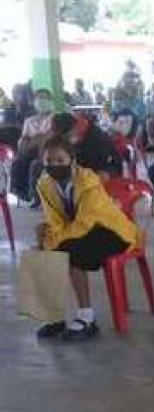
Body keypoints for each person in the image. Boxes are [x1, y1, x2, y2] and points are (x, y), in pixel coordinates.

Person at [33, 136, 139, 342]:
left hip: (110, 231)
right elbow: (54, 220)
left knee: (70, 252)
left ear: (72, 160)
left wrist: (56, 240)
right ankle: (54, 317)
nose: (54, 165)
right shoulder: (44, 184)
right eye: (49, 161)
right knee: (43, 249)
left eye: (60, 160)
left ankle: (86, 318)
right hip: (77, 231)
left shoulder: (88, 181)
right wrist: (48, 239)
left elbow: (85, 222)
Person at [10, 87, 55, 202]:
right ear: (34, 101)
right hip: (29, 150)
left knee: (35, 164)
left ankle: (36, 197)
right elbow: (23, 140)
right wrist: (32, 141)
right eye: (38, 98)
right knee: (17, 162)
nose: (41, 101)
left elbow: (49, 136)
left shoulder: (56, 118)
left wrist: (35, 140)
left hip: (48, 151)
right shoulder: (29, 120)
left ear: (51, 100)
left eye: (44, 98)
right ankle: (21, 192)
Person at [52, 111, 122, 179]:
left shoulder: (99, 138)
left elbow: (115, 163)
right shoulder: (63, 141)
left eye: (68, 136)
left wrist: (108, 172)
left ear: (75, 127)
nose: (66, 141)